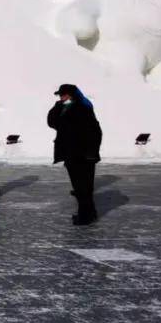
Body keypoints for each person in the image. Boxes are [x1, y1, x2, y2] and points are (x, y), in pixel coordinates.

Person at [47, 84, 103, 225]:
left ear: (71, 95)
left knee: (83, 188)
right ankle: (89, 213)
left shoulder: (82, 108)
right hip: (72, 153)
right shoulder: (65, 107)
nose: (61, 97)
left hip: (83, 154)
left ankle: (86, 216)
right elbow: (52, 122)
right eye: (60, 95)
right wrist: (57, 106)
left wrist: (91, 152)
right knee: (80, 188)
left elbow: (95, 132)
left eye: (63, 95)